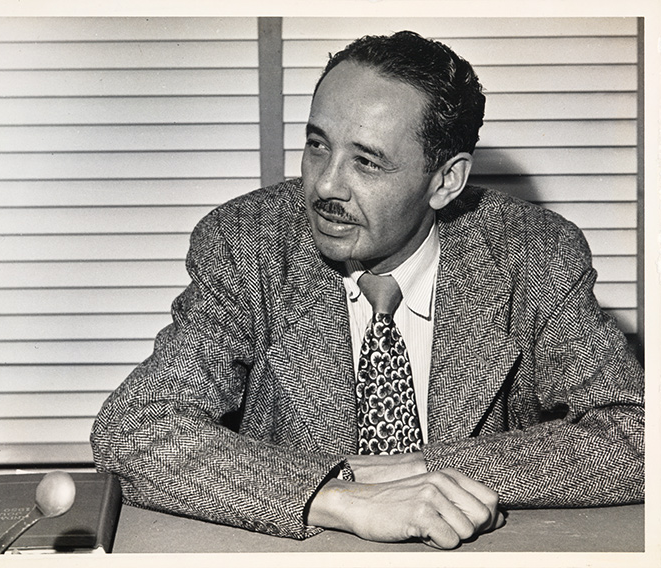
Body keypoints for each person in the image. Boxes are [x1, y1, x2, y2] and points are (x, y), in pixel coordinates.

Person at [90, 31, 644, 549]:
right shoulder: (249, 244)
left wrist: (428, 469)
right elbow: (133, 430)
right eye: (317, 145)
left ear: (445, 180)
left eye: (367, 161)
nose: (326, 185)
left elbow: (638, 436)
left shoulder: (532, 254)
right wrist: (337, 494)